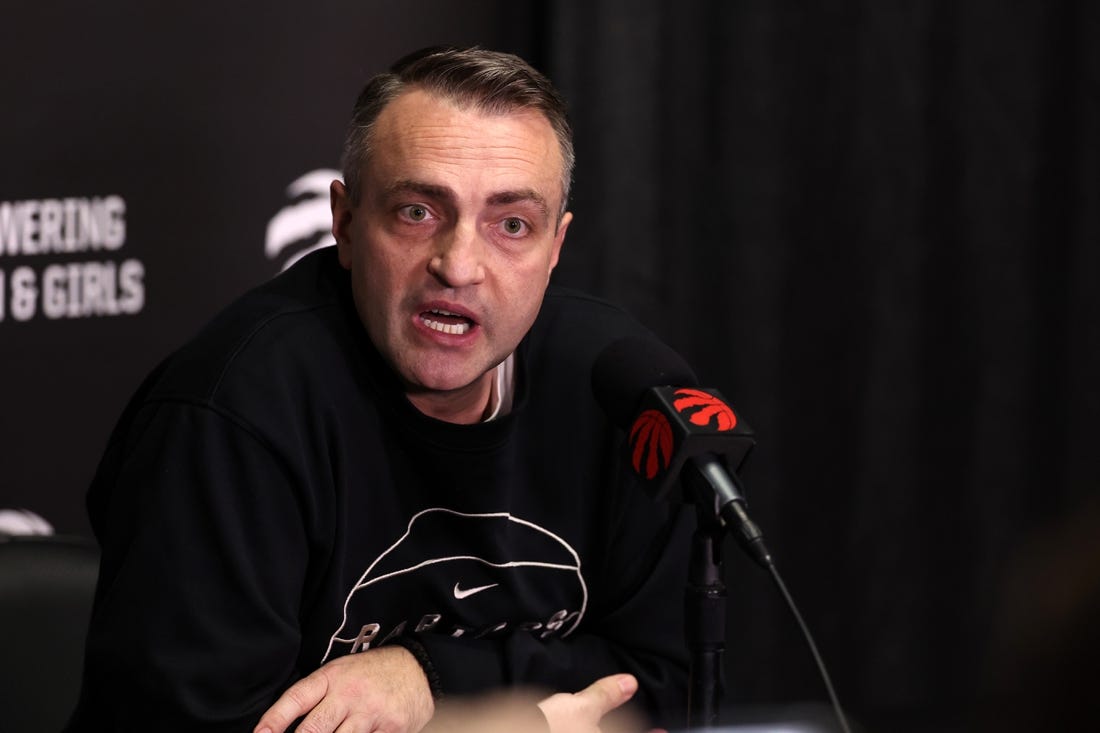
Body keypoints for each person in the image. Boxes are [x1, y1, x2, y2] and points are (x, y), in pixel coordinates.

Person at [68, 46, 692, 732]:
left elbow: (667, 688)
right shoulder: (231, 413)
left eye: (511, 224)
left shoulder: (624, 391)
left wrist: (430, 675)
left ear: (555, 248)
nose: (458, 266)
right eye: (417, 211)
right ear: (344, 220)